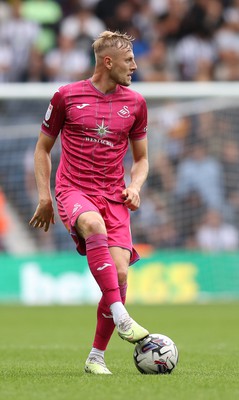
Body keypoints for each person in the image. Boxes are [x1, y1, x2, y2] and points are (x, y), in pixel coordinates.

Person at [29, 30, 149, 375]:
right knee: (93, 225)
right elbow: (42, 148)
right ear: (107, 62)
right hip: (74, 190)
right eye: (129, 61)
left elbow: (141, 159)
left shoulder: (136, 103)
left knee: (121, 272)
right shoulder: (66, 96)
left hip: (115, 196)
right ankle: (123, 317)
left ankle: (96, 357)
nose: (135, 66)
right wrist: (44, 196)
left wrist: (136, 187)